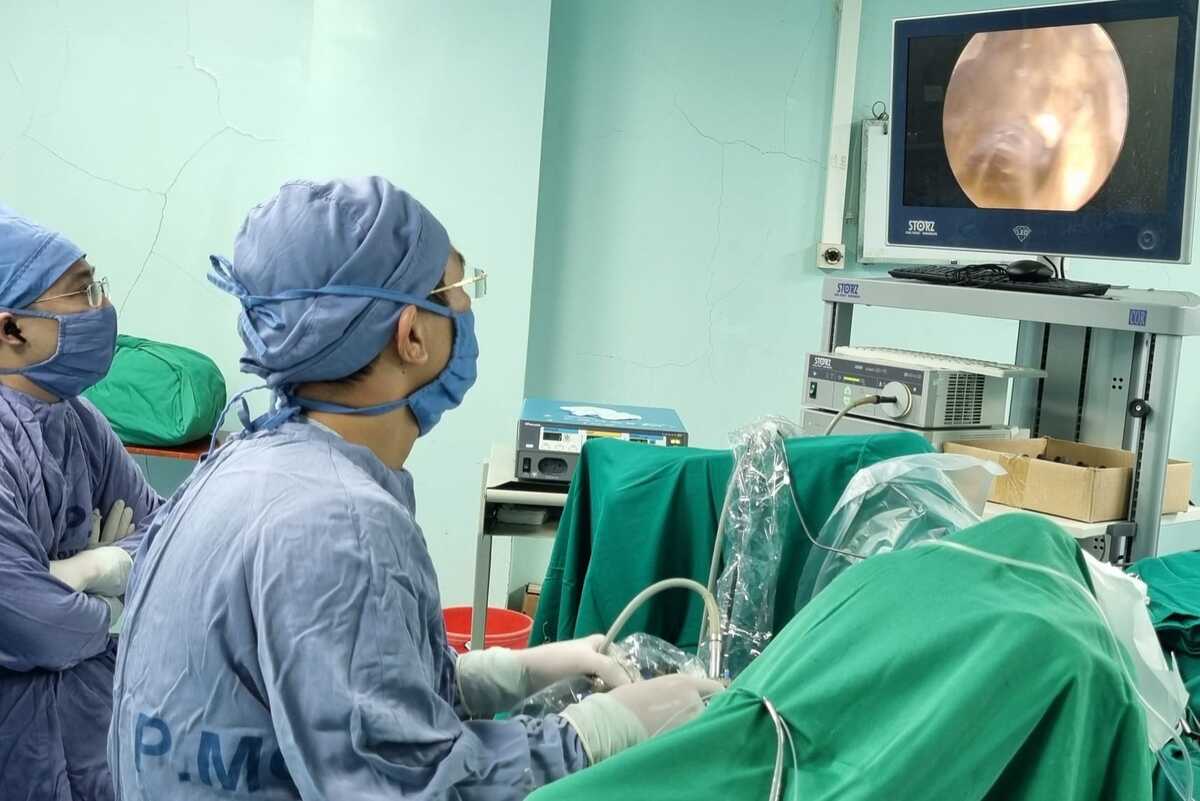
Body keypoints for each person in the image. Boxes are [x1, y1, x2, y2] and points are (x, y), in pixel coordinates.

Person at [109, 177, 721, 800]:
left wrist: (511, 672)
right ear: (412, 336)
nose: (468, 306)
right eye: (458, 288)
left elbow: (344, 693)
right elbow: (412, 788)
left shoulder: (241, 465)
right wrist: (599, 730)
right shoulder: (341, 524)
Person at [0, 206, 163, 801]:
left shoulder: (77, 419)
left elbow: (168, 540)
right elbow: (31, 622)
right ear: (11, 329)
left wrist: (89, 569)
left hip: (94, 737)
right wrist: (115, 602)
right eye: (83, 292)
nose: (102, 306)